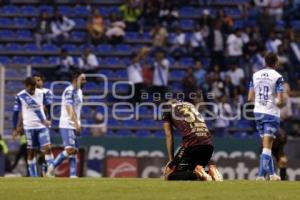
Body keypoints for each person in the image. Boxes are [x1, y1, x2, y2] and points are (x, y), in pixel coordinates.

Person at [163, 100, 223, 181]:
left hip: (192, 143)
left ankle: (201, 174)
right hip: (208, 143)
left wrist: (171, 159)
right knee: (189, 171)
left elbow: (169, 135)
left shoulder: (168, 109)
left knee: (169, 175)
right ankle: (211, 172)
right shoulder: (190, 105)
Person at [248, 53, 285, 181]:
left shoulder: (255, 75)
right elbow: (280, 101)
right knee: (267, 146)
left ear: (265, 62)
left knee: (265, 144)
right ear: (275, 63)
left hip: (258, 113)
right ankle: (260, 176)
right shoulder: (278, 77)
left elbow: (249, 98)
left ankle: (272, 174)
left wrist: (260, 103)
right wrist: (281, 102)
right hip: (271, 114)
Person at [12, 77, 54, 177]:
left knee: (47, 148)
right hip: (29, 127)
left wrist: (49, 118)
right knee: (31, 152)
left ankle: (50, 172)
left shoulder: (42, 93)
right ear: (26, 86)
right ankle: (33, 176)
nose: (33, 90)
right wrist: (15, 128)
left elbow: (48, 106)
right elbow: (15, 113)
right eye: (31, 88)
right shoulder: (20, 96)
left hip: (42, 127)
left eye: (34, 88)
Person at [48, 72, 86, 178]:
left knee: (74, 152)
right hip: (67, 124)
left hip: (75, 124)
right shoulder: (69, 91)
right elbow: (69, 108)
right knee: (70, 150)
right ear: (75, 79)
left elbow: (77, 110)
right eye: (82, 79)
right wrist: (76, 123)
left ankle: (73, 176)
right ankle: (51, 167)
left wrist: (79, 123)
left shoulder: (79, 92)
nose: (85, 81)